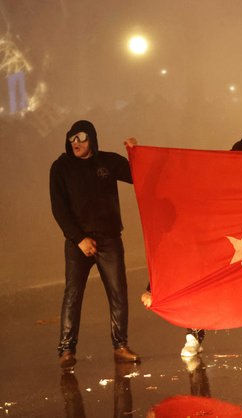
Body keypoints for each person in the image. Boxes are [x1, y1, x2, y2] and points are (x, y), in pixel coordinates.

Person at [140, 109, 242, 357]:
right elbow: (168, 250)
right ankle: (193, 334)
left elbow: (241, 149)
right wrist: (151, 288)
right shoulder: (183, 200)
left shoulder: (217, 171)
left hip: (235, 240)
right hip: (203, 248)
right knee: (194, 280)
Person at [50, 120, 140, 368]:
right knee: (73, 294)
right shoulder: (61, 168)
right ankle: (66, 350)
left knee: (118, 292)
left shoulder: (108, 162)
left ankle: (120, 346)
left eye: (81, 138)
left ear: (92, 138)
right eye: (72, 139)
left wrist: (135, 153)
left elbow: (138, 175)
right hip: (77, 242)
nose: (76, 143)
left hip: (109, 238)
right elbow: (59, 208)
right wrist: (79, 239)